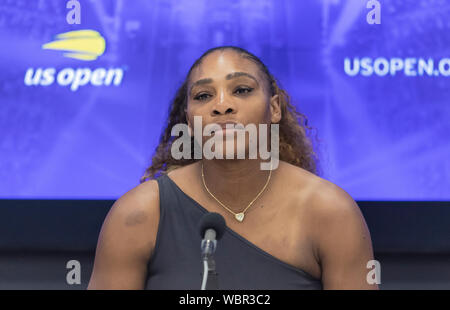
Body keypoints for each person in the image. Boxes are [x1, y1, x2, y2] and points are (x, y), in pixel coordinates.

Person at [87, 46, 378, 290]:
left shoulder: (331, 212)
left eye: (241, 89)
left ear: (274, 108)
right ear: (189, 120)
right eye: (203, 96)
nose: (222, 106)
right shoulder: (139, 213)